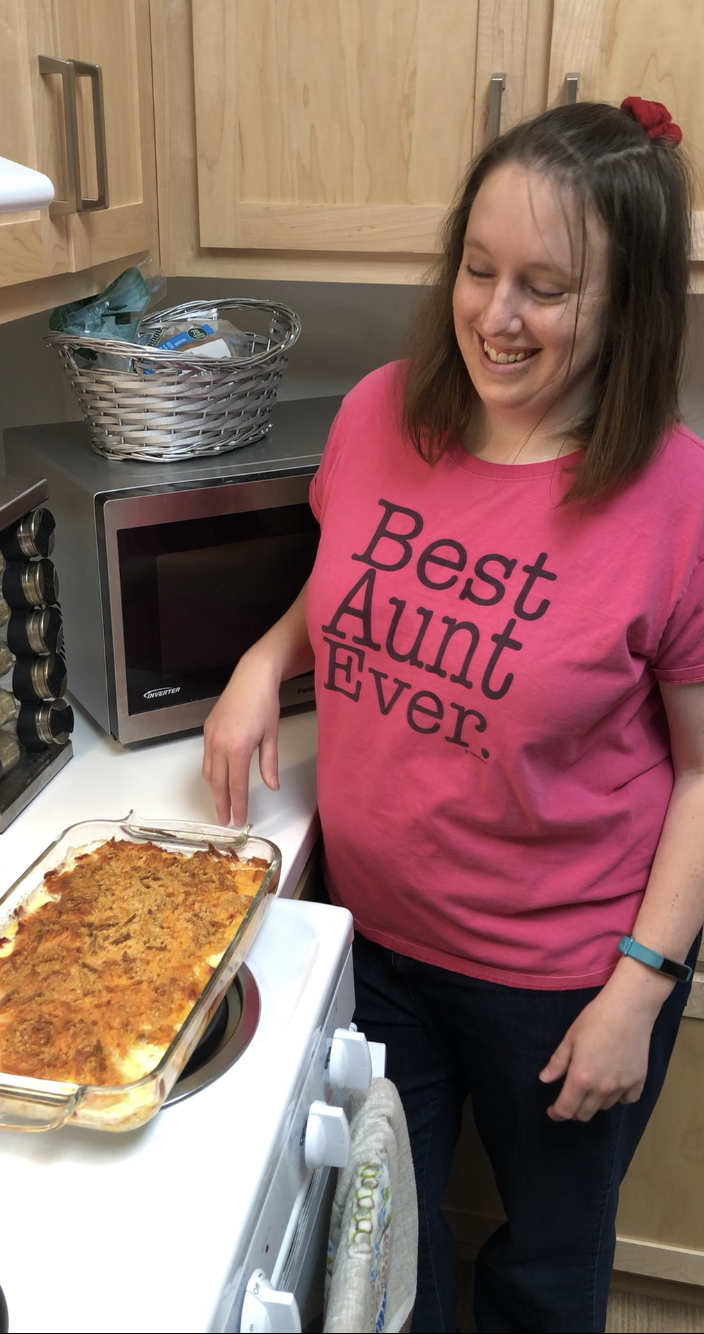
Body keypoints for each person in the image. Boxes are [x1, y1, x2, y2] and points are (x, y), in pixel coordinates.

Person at [203, 97, 704, 1333]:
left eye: (547, 285)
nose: (496, 314)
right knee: (386, 1260)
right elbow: (347, 587)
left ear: (628, 303)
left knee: (543, 1271)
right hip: (368, 940)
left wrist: (638, 991)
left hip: (565, 974)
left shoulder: (676, 498)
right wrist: (265, 659)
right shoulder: (382, 409)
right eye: (479, 268)